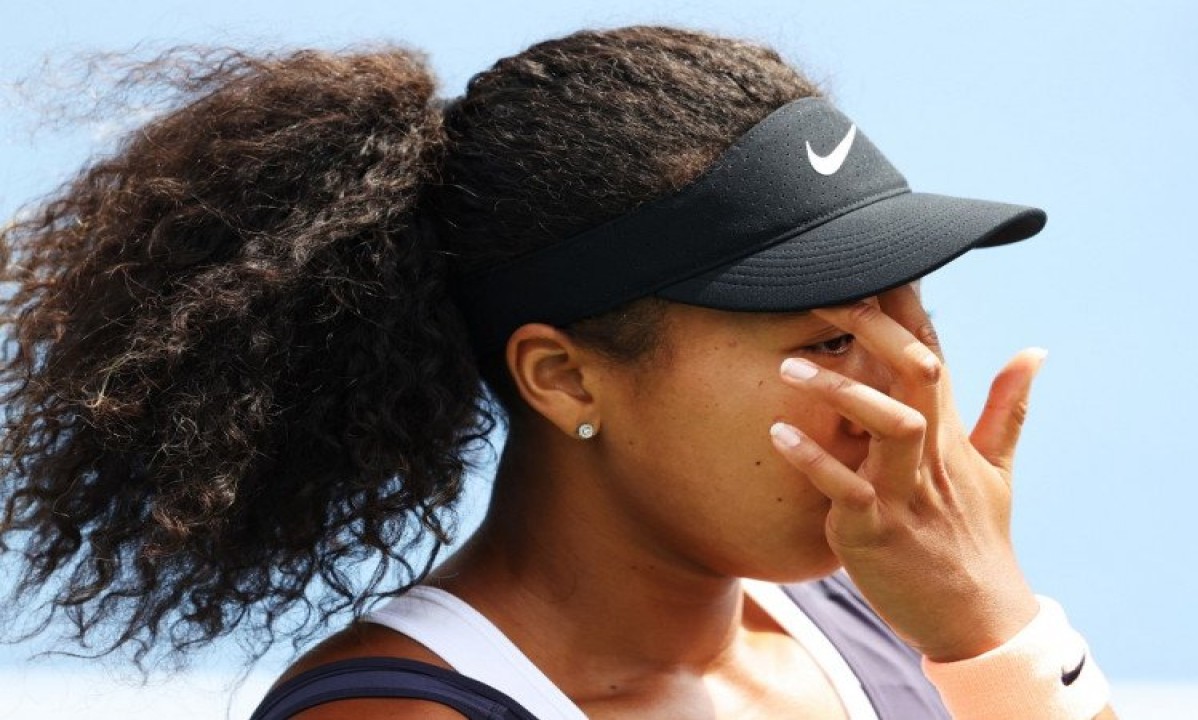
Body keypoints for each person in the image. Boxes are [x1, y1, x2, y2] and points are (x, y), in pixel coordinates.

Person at [0, 26, 1116, 719]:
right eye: (827, 342)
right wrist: (986, 646)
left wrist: (993, 631)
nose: (908, 382)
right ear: (564, 380)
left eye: (906, 314)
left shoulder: (891, 621)